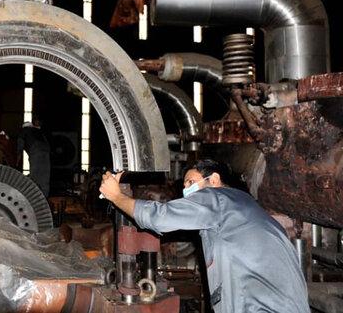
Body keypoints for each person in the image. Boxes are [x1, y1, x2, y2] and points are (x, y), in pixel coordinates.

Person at [99, 159, 309, 313]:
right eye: (184, 186)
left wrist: (117, 197)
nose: (186, 191)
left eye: (190, 182)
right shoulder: (243, 209)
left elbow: (159, 217)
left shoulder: (219, 198)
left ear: (214, 180)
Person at [16, 118, 51, 197]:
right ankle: (45, 197)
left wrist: (17, 162)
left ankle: (34, 198)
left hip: (36, 150)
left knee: (35, 176)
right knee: (45, 176)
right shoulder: (38, 131)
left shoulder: (23, 131)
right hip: (46, 151)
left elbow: (20, 148)